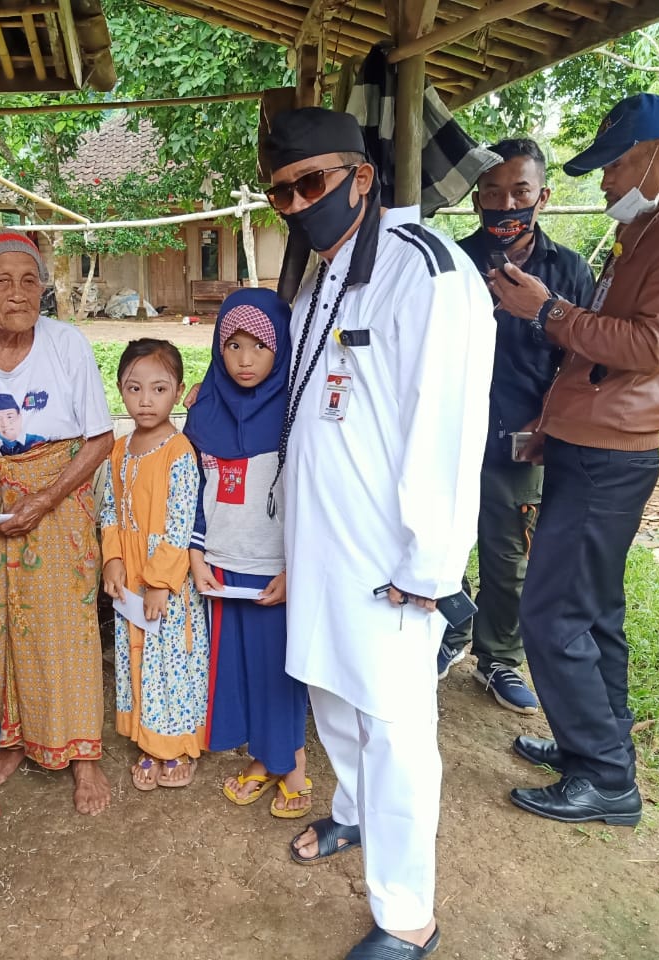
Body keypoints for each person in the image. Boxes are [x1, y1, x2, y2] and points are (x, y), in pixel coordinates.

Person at [267, 108, 495, 959]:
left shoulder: (426, 271)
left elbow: (447, 428)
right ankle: (356, 812)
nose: (297, 204)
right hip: (322, 543)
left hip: (392, 558)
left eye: (311, 183)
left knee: (395, 727)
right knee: (331, 691)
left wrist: (430, 565)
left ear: (362, 177)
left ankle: (408, 918)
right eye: (282, 193)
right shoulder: (322, 276)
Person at [489, 93, 659, 825]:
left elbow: (648, 347)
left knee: (550, 613)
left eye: (616, 166)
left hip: (612, 455)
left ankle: (604, 777)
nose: (606, 183)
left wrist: (547, 310)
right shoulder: (647, 229)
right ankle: (593, 746)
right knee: (593, 613)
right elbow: (599, 347)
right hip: (587, 440)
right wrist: (553, 421)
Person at [0, 230, 114, 816]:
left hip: (59, 494)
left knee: (67, 626)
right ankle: (15, 737)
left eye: (29, 280)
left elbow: (100, 438)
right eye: (3, 281)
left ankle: (83, 752)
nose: (19, 292)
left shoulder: (66, 344)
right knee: (0, 623)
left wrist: (44, 499)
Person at [437, 138, 595, 715]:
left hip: (525, 438)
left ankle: (499, 657)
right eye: (493, 192)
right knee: (441, 541)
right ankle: (449, 634)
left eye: (520, 191)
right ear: (477, 198)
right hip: (448, 434)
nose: (506, 204)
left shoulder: (569, 270)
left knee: (509, 556)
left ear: (542, 196)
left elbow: (585, 359)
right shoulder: (451, 263)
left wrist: (548, 417)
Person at [183, 289, 312, 818]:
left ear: (281, 348)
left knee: (278, 672)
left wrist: (295, 567)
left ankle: (294, 768)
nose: (244, 359)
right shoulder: (204, 410)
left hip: (274, 568)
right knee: (238, 670)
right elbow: (191, 491)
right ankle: (264, 759)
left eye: (259, 346)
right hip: (220, 564)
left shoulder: (297, 414)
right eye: (232, 345)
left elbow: (312, 498)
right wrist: (196, 555)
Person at [99, 340, 210, 789]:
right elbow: (110, 508)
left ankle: (177, 745)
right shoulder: (119, 449)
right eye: (134, 388)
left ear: (178, 392)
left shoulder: (180, 451)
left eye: (159, 389)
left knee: (170, 661)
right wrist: (112, 558)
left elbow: (181, 523)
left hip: (167, 583)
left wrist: (162, 582)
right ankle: (148, 740)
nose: (146, 400)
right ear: (119, 390)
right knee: (139, 657)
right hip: (130, 579)